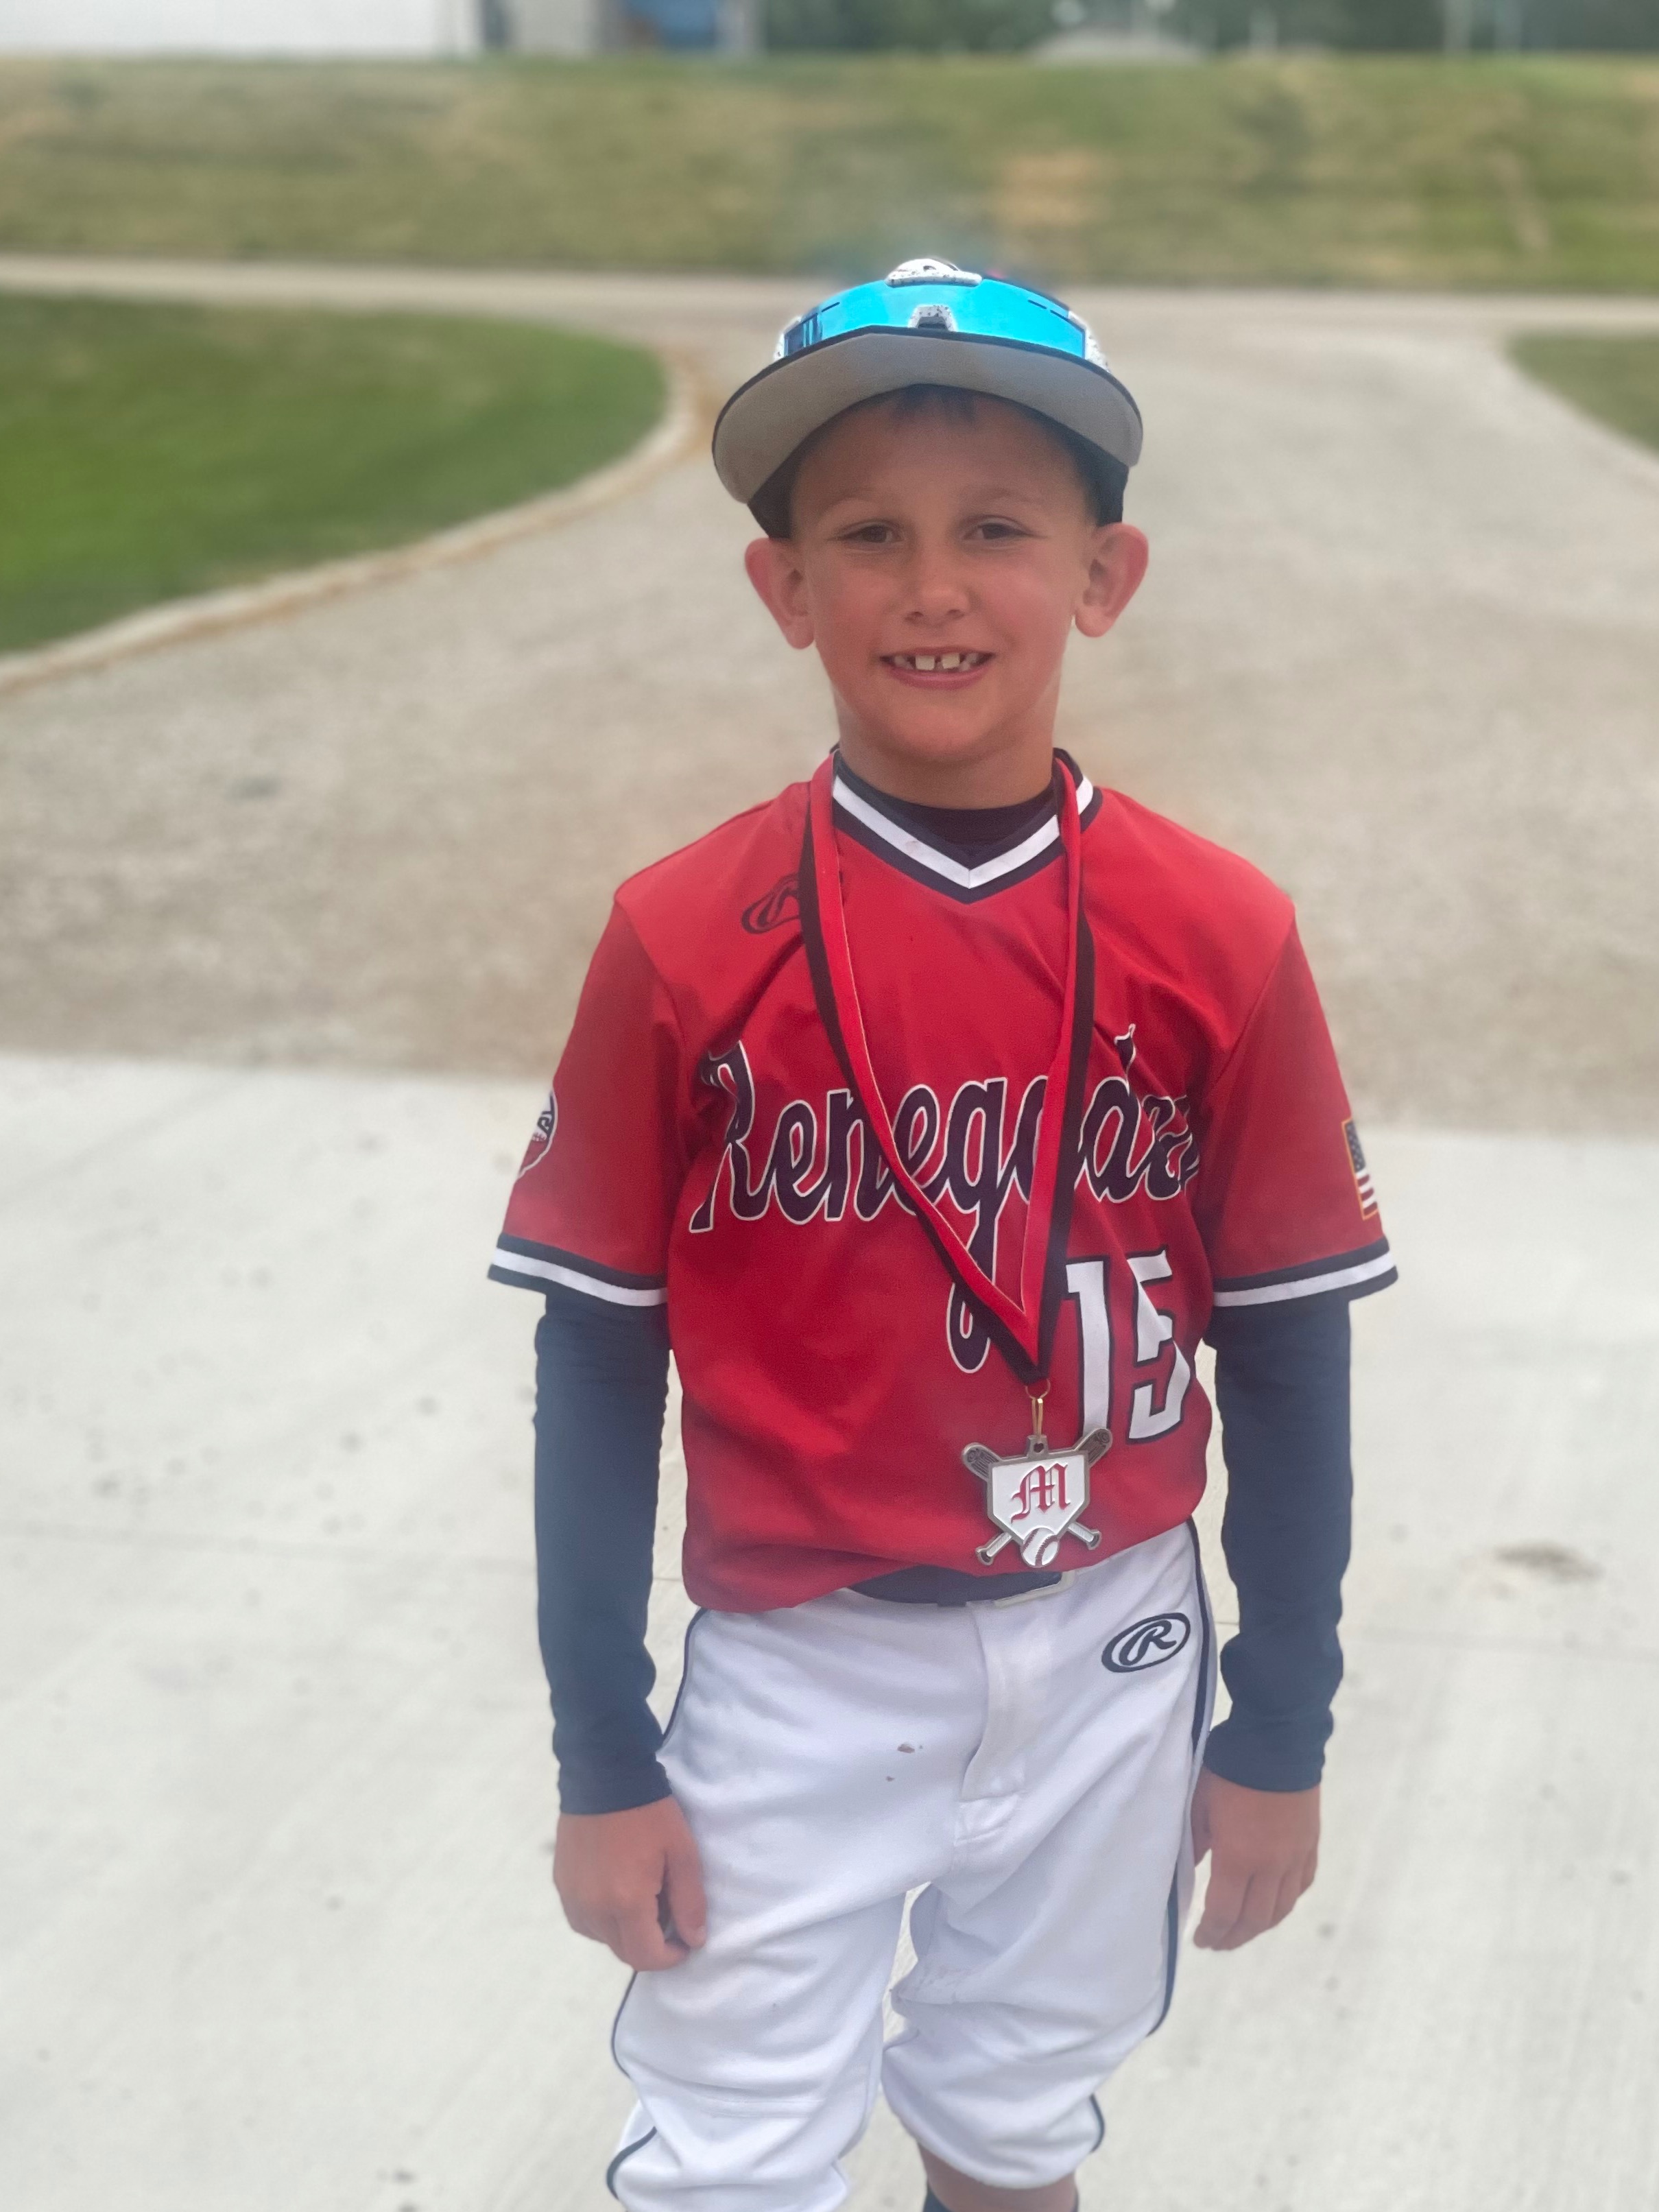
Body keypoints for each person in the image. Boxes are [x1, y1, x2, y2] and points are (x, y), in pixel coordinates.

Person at [489, 258, 1395, 2212]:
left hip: (1114, 1636)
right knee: (732, 2157)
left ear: (1103, 572)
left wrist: (1281, 1723)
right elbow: (595, 1359)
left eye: (997, 528)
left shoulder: (1219, 930)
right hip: (801, 1665)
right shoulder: (683, 933)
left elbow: (1290, 1351)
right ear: (783, 588)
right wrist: (601, 1756)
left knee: (1014, 2118)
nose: (931, 587)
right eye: (866, 534)